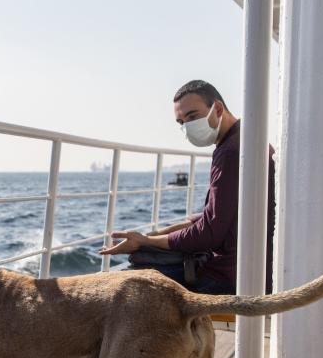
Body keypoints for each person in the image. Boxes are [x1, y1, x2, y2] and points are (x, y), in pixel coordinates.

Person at [99, 79, 275, 295]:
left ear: (217, 108)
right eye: (181, 122)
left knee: (124, 283)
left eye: (192, 117)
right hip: (249, 265)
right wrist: (153, 235)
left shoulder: (231, 152)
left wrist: (147, 241)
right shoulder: (243, 139)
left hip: (231, 277)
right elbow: (215, 218)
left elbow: (209, 234)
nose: (187, 126)